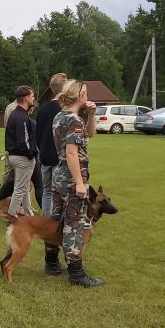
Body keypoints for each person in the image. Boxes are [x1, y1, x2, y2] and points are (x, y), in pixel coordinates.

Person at [51, 80, 102, 287]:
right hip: (72, 176)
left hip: (59, 174)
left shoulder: (61, 116)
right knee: (74, 224)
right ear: (79, 95)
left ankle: (51, 262)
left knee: (56, 219)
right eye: (86, 93)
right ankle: (76, 273)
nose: (88, 96)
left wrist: (91, 115)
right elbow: (72, 153)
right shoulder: (74, 121)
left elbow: (90, 135)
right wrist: (80, 183)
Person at [36, 73, 68, 276]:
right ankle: (55, 226)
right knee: (60, 196)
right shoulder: (63, 110)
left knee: (47, 192)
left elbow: (38, 133)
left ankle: (46, 219)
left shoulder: (43, 108)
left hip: (44, 156)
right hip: (57, 157)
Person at [5, 86, 38, 216]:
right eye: (32, 96)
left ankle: (29, 215)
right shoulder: (21, 117)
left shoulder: (15, 114)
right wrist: (32, 154)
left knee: (24, 188)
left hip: (14, 156)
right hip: (22, 157)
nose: (34, 98)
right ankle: (11, 217)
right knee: (19, 189)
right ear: (26, 98)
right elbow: (23, 141)